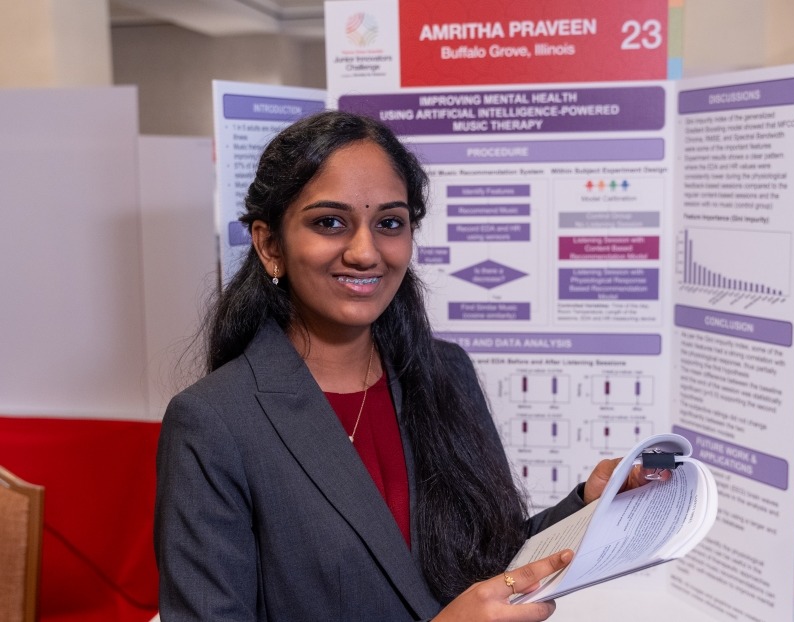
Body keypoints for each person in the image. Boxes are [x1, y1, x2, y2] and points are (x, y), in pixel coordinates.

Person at [154, 110, 659, 621]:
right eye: (329, 222)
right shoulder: (214, 422)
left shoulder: (446, 372)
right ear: (269, 244)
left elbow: (484, 564)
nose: (365, 251)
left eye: (389, 223)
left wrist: (590, 506)